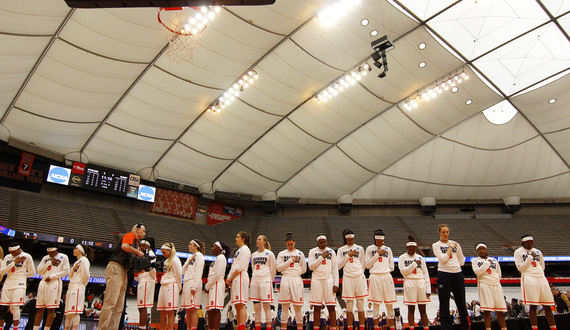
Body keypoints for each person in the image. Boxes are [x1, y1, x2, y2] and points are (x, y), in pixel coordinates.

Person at [98, 223, 146, 330]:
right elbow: (124, 246)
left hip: (124, 271)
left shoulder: (136, 244)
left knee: (119, 306)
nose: (144, 234)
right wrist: (137, 252)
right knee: (110, 302)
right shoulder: (130, 235)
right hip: (116, 267)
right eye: (143, 231)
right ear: (137, 229)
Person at [514, 235, 557, 330]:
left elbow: (542, 266)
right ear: (523, 243)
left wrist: (539, 274)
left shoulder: (538, 252)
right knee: (533, 305)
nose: (530, 244)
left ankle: (553, 328)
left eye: (532, 242)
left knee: (547, 305)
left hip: (541, 277)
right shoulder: (518, 252)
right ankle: (534, 328)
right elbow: (520, 268)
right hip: (529, 277)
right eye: (528, 242)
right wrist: (529, 258)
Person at [432, 224, 469, 330]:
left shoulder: (456, 244)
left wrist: (454, 264)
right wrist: (450, 248)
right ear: (439, 232)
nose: (445, 234)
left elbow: (461, 261)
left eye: (447, 232)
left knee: (461, 301)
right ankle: (447, 327)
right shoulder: (436, 245)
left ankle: (465, 326)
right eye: (443, 232)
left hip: (457, 273)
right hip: (444, 273)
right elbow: (443, 259)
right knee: (444, 302)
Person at [364, 229, 396, 330]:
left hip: (386, 276)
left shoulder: (388, 249)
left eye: (381, 241)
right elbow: (367, 265)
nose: (379, 243)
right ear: (374, 239)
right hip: (374, 276)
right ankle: (376, 327)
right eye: (378, 241)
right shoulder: (369, 249)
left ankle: (392, 326)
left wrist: (384, 270)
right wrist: (377, 254)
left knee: (389, 304)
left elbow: (392, 267)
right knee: (376, 304)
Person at [0, 242, 36, 330]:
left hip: (19, 284)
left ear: (18, 249)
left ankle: (15, 328)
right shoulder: (7, 257)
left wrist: (21, 275)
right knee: (2, 307)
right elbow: (2, 272)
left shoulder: (27, 256)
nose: (12, 254)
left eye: (13, 252)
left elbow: (32, 272)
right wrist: (13, 263)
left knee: (16, 307)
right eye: (10, 252)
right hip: (8, 283)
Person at [35, 242, 70, 330]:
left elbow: (66, 271)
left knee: (51, 309)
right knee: (40, 309)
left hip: (54, 283)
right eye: (48, 252)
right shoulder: (45, 258)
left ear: (57, 250)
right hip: (43, 283)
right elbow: (39, 272)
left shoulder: (63, 257)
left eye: (52, 252)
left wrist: (52, 276)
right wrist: (49, 263)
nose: (50, 254)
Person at [471, 243, 507, 330]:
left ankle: (504, 328)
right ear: (477, 251)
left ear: (486, 250)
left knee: (500, 311)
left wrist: (495, 280)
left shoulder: (494, 260)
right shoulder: (475, 260)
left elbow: (499, 274)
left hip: (496, 285)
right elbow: (478, 272)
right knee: (487, 311)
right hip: (484, 284)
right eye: (480, 249)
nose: (482, 250)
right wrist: (486, 263)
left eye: (483, 249)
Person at [398, 235, 430, 330]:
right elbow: (403, 272)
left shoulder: (421, 258)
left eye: (414, 249)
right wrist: (414, 264)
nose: (412, 250)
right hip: (409, 282)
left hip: (420, 282)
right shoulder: (402, 258)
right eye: (410, 249)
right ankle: (411, 327)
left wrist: (428, 288)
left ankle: (426, 327)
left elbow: (426, 274)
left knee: (423, 309)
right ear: (407, 248)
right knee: (411, 309)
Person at [338, 229, 368, 330]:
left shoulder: (360, 248)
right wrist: (348, 256)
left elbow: (363, 265)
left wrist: (359, 273)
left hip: (359, 277)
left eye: (351, 239)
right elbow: (338, 266)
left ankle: (362, 327)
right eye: (348, 239)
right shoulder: (341, 250)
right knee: (349, 306)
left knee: (360, 305)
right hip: (348, 278)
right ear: (346, 239)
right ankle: (350, 327)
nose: (350, 241)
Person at [308, 234, 339, 330]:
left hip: (328, 280)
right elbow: (311, 267)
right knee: (317, 307)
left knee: (331, 306)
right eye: (320, 242)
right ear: (318, 242)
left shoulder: (331, 252)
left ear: (326, 242)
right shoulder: (312, 251)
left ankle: (333, 327)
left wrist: (336, 283)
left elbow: (335, 268)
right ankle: (316, 328)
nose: (322, 244)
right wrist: (321, 257)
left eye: (324, 242)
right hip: (317, 280)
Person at [276, 233, 307, 330]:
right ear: (286, 243)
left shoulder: (300, 253)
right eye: (288, 244)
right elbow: (279, 268)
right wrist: (290, 260)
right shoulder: (282, 254)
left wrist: (295, 273)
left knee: (297, 307)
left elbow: (304, 269)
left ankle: (300, 327)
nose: (290, 246)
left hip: (296, 279)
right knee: (285, 307)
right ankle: (283, 328)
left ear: (294, 243)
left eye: (291, 244)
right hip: (285, 278)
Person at [226, 232, 252, 330]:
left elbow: (240, 267)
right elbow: (234, 266)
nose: (235, 238)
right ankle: (240, 325)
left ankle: (242, 327)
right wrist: (229, 278)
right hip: (235, 277)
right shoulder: (239, 250)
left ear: (243, 239)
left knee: (241, 304)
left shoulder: (245, 249)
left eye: (237, 237)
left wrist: (231, 277)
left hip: (240, 277)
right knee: (237, 305)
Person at [249, 235, 276, 330]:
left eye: (259, 239)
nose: (257, 240)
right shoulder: (253, 255)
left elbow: (273, 269)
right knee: (256, 308)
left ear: (264, 242)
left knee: (266, 307)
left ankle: (268, 328)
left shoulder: (269, 254)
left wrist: (269, 280)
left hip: (265, 280)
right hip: (255, 280)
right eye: (257, 239)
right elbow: (253, 268)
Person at [65, 244, 94, 330]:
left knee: (75, 312)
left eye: (76, 249)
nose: (74, 250)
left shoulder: (84, 260)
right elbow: (70, 277)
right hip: (71, 286)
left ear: (81, 251)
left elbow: (86, 275)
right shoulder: (77, 262)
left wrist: (83, 284)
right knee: (68, 312)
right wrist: (73, 269)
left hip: (78, 287)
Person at [181, 239, 206, 330]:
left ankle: (194, 328)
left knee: (193, 308)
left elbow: (199, 272)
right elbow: (182, 271)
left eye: (190, 244)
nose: (189, 246)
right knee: (187, 309)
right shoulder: (191, 257)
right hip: (187, 282)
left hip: (193, 282)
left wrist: (194, 286)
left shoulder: (199, 256)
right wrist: (188, 261)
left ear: (196, 246)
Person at [158, 242, 183, 330]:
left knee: (170, 311)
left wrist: (179, 287)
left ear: (169, 250)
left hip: (171, 286)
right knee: (162, 311)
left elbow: (179, 275)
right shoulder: (165, 261)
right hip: (163, 285)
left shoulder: (175, 260)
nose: (163, 254)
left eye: (164, 252)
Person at [205, 241, 230, 330]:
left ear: (219, 249)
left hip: (216, 284)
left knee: (215, 309)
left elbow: (217, 274)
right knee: (210, 310)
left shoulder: (221, 258)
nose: (212, 248)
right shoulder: (216, 259)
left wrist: (207, 286)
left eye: (214, 246)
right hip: (212, 285)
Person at [136, 239, 157, 330]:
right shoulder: (143, 253)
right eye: (140, 244)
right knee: (141, 306)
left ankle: (142, 327)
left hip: (147, 279)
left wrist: (154, 278)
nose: (141, 246)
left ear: (148, 246)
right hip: (143, 279)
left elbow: (152, 268)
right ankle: (142, 326)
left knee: (143, 305)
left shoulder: (150, 254)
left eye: (143, 245)